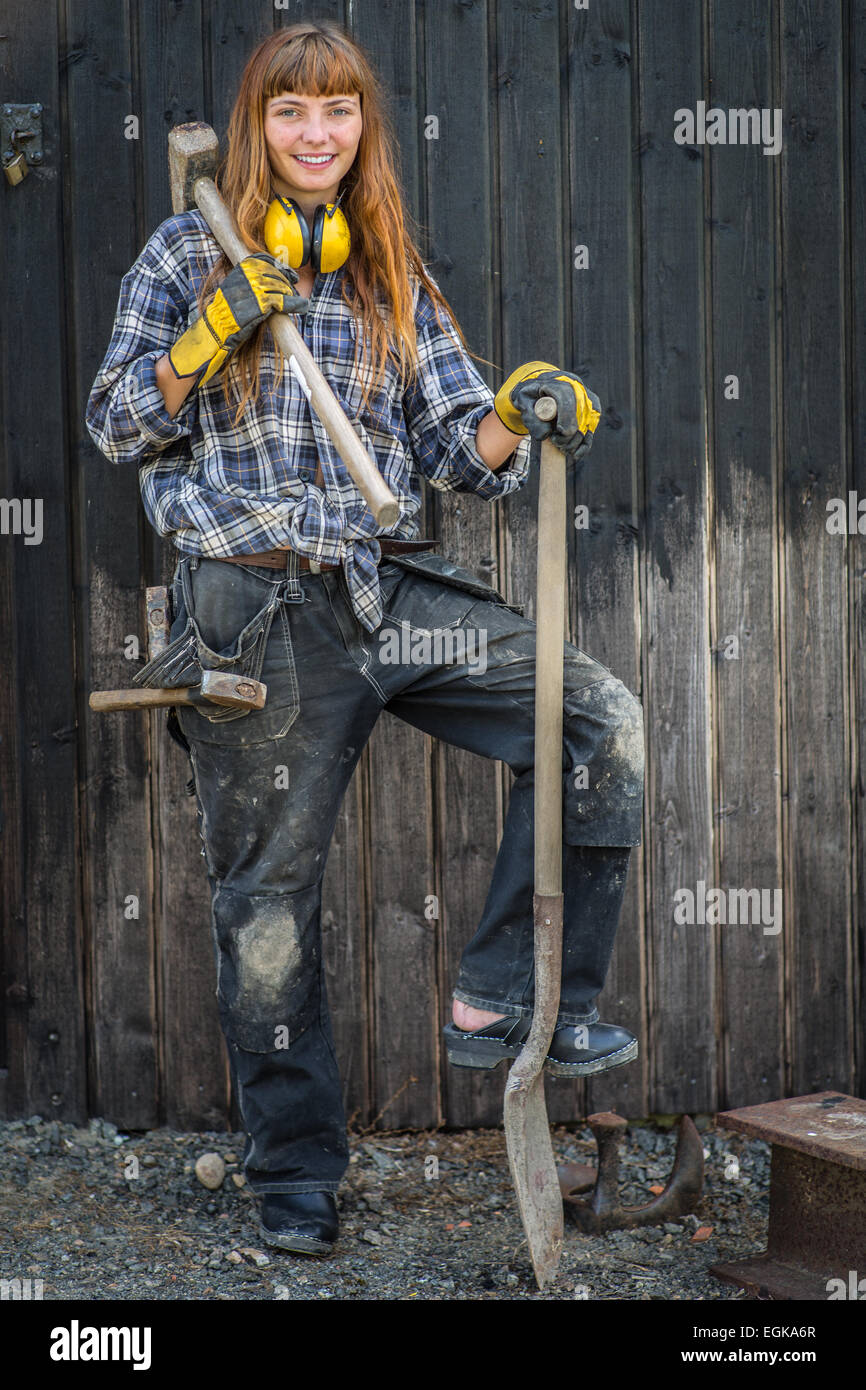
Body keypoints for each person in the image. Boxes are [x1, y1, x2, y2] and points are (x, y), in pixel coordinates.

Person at [86, 20, 644, 1257]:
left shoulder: (388, 268)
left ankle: (505, 996)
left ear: (361, 129)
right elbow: (117, 426)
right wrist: (207, 332)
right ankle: (295, 1174)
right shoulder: (190, 249)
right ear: (255, 127)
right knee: (268, 907)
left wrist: (516, 411)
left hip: (385, 596)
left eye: (336, 111)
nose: (315, 134)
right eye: (290, 112)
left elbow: (459, 452)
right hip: (251, 611)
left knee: (594, 716)